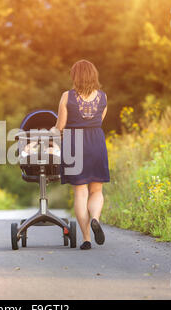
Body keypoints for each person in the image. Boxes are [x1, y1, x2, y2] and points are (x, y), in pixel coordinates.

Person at [51, 59, 110, 250]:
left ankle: (86, 239)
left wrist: (51, 133)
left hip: (74, 144)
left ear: (75, 77)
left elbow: (60, 126)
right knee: (97, 191)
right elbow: (98, 121)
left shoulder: (67, 97)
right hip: (97, 144)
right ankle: (95, 218)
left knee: (80, 192)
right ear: (94, 76)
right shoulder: (103, 97)